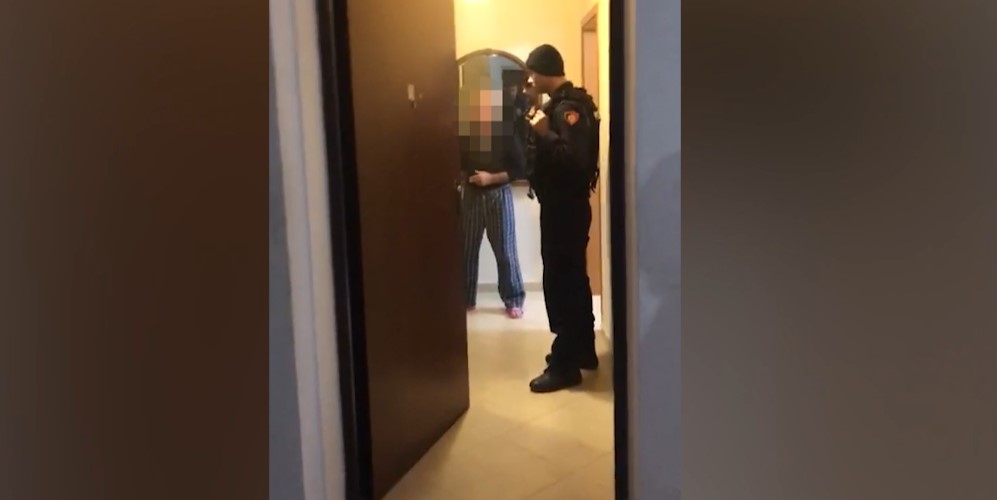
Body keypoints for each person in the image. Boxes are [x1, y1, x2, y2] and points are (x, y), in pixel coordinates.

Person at [524, 44, 601, 393]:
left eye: (532, 73)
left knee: (561, 283)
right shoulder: (559, 105)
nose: (530, 79)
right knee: (573, 278)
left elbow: (575, 161)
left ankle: (565, 364)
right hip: (563, 207)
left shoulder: (569, 109)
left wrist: (546, 134)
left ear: (543, 72)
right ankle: (582, 349)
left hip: (565, 208)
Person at [459, 86, 527, 318]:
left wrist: (491, 178)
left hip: (499, 195)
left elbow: (519, 169)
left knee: (506, 251)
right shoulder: (465, 134)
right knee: (466, 250)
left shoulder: (506, 133)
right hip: (471, 195)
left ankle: (514, 299)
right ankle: (465, 299)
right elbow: (458, 163)